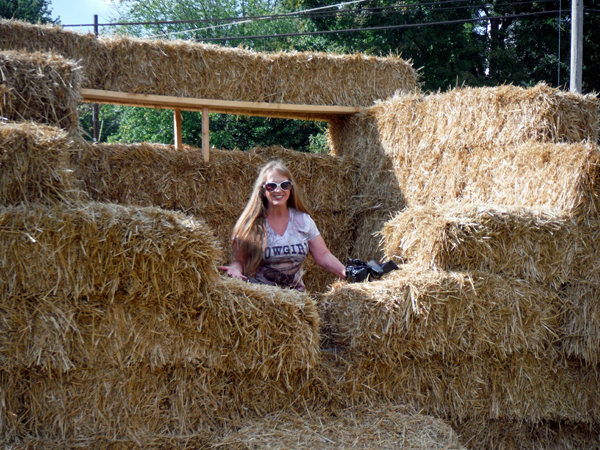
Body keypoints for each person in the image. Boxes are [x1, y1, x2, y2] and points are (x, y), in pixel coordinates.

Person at [218, 160, 346, 291]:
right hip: (260, 298)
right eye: (271, 186)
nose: (278, 190)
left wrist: (346, 274)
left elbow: (323, 255)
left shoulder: (303, 220)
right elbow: (239, 261)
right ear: (263, 190)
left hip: (297, 298)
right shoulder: (250, 224)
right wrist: (234, 268)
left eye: (285, 185)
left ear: (291, 189)